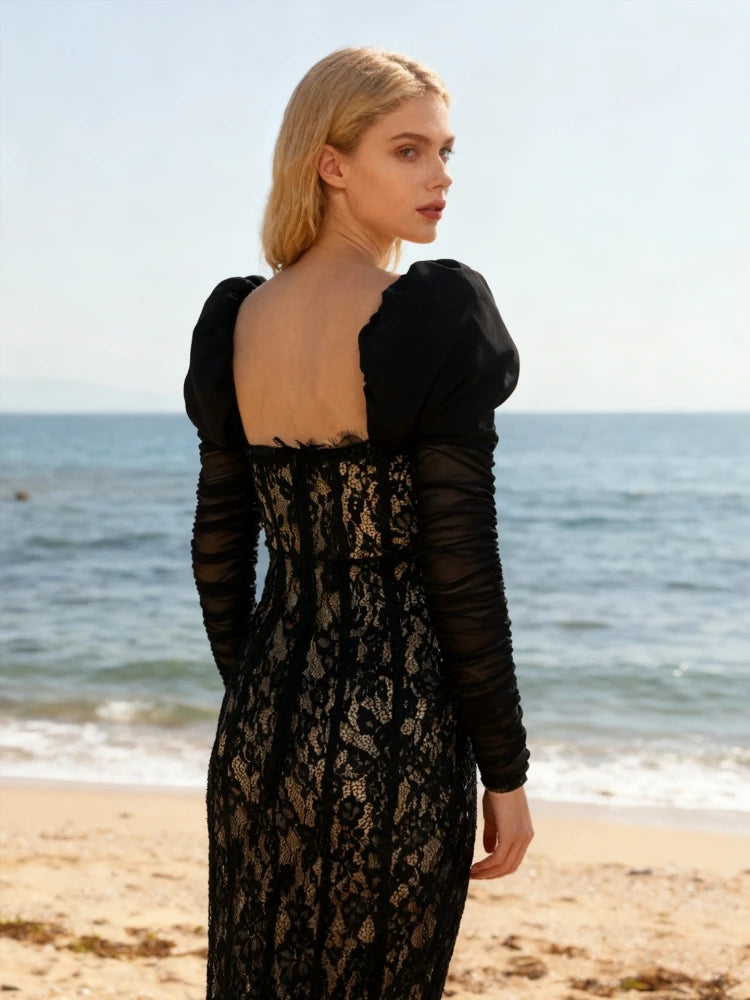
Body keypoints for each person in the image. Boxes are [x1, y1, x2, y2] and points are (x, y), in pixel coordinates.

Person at [184, 46, 532, 1000]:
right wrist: (506, 771)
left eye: (445, 152)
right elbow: (463, 572)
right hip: (397, 748)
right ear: (331, 164)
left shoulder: (235, 324)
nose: (441, 178)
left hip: (260, 736)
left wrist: (270, 698)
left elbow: (221, 556)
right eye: (409, 150)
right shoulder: (436, 317)